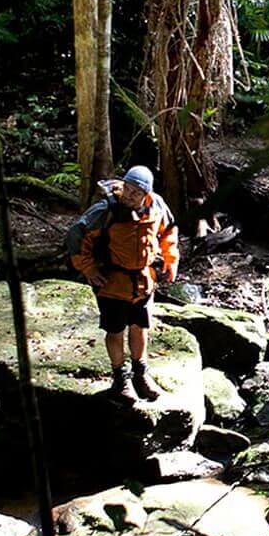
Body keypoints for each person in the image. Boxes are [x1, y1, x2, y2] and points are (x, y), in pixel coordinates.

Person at [70, 164, 179, 403]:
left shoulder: (156, 206)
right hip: (112, 283)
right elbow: (77, 236)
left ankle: (141, 374)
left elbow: (169, 231)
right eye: (127, 189)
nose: (128, 196)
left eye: (135, 193)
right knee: (115, 330)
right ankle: (121, 379)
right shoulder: (106, 210)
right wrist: (88, 269)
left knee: (140, 327)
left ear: (146, 194)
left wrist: (170, 259)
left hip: (143, 281)